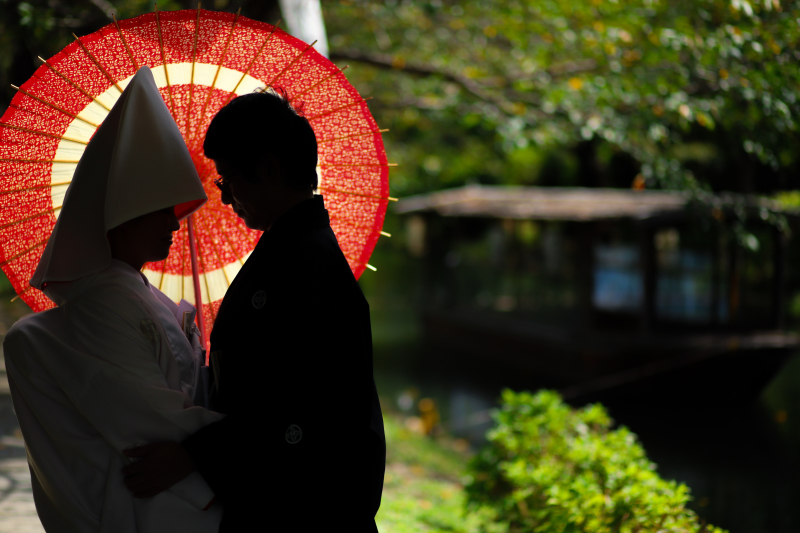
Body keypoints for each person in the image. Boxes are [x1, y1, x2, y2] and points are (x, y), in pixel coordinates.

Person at [122, 89, 386, 531]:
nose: (226, 199)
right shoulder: (295, 250)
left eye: (227, 181)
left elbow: (296, 404)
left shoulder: (304, 262)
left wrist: (193, 455)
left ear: (268, 169)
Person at [2, 66, 225, 532]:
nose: (174, 223)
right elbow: (152, 424)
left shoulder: (135, 293)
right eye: (161, 211)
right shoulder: (107, 302)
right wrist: (238, 437)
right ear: (124, 214)